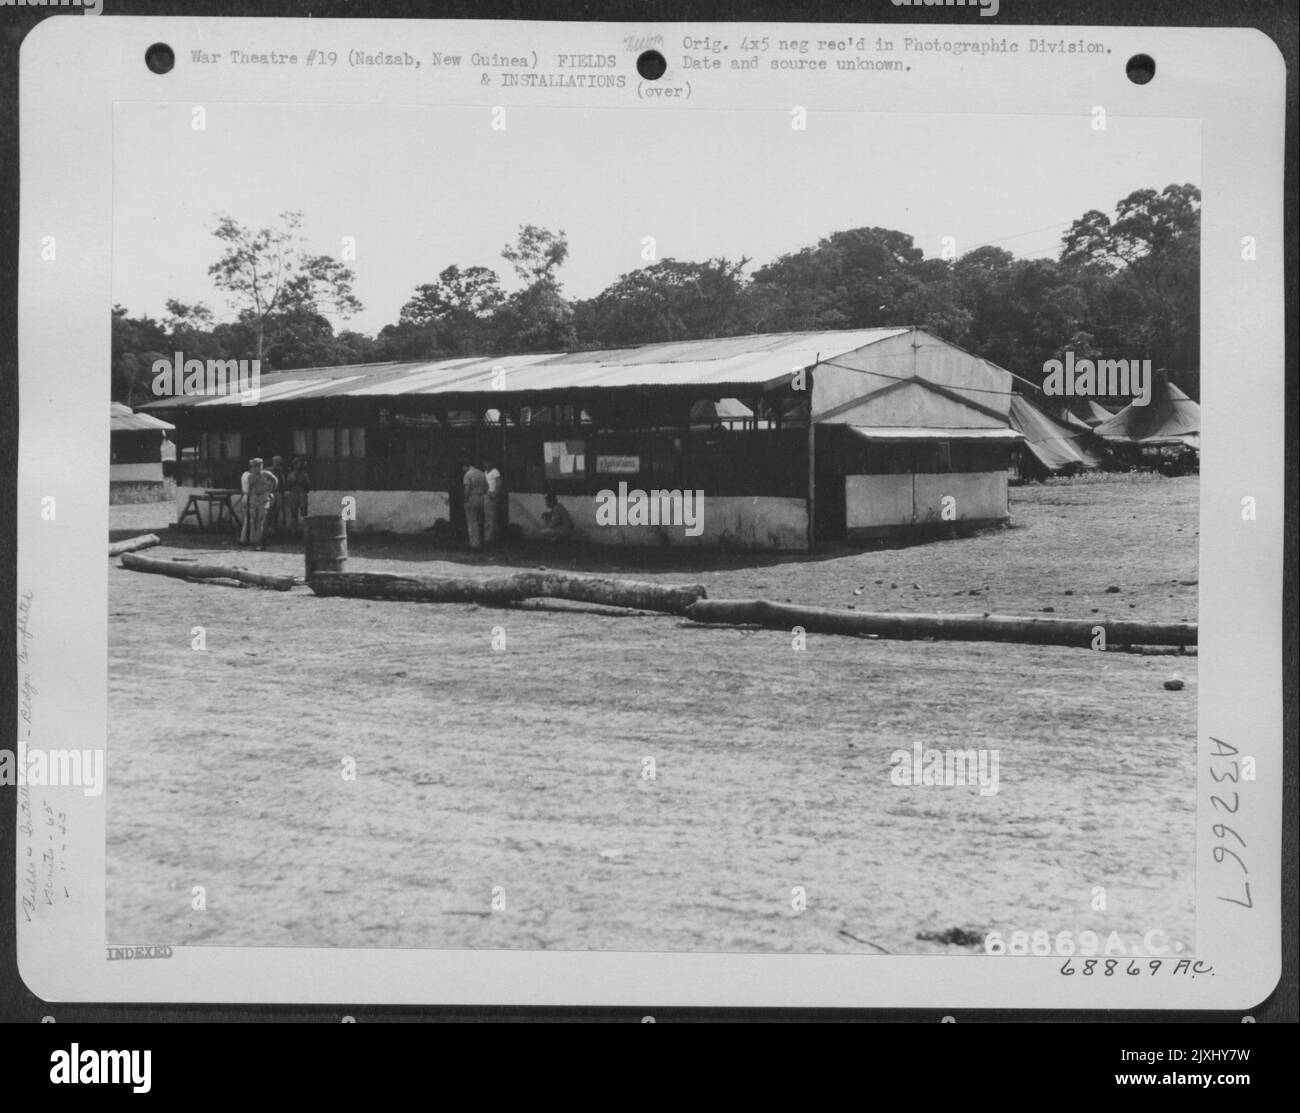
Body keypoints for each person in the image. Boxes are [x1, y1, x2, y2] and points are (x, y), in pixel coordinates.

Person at [239, 457, 278, 550]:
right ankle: (254, 541)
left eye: (260, 466)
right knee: (254, 521)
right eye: (256, 466)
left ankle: (259, 542)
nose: (258, 468)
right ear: (253, 467)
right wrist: (248, 501)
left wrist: (270, 491)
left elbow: (275, 480)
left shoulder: (266, 474)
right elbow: (250, 489)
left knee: (261, 521)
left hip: (263, 499)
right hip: (254, 500)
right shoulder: (250, 477)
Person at [462, 460, 489, 549]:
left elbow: (467, 489)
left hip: (471, 498)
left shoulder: (468, 475)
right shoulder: (482, 473)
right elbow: (487, 487)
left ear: (466, 466)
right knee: (481, 521)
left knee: (472, 522)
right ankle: (483, 541)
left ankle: (474, 544)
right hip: (481, 498)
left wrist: (465, 500)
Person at [285, 456, 313, 536]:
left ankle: (305, 532)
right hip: (293, 494)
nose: (298, 465)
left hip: (302, 494)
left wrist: (302, 484)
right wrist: (292, 482)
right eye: (296, 464)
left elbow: (308, 486)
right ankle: (294, 532)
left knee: (304, 513)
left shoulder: (304, 475)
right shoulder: (291, 475)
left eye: (300, 463)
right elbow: (287, 486)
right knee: (294, 513)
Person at [482, 458, 502, 546]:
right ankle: (493, 538)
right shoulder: (485, 472)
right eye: (484, 463)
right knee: (490, 517)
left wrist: (494, 493)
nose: (485, 465)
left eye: (486, 463)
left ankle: (489, 539)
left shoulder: (495, 471)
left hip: (492, 496)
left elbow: (498, 483)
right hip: (486, 495)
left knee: (490, 517)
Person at [267, 455, 288, 535]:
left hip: (278, 493)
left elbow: (283, 484)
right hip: (270, 493)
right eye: (277, 462)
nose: (278, 464)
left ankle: (274, 528)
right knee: (269, 511)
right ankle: (267, 528)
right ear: (273, 462)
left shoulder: (280, 471)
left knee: (276, 512)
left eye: (279, 463)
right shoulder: (268, 470)